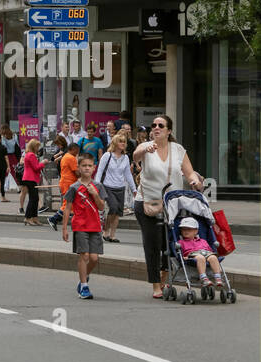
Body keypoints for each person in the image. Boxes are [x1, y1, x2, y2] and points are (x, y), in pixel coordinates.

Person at [132, 114, 204, 299]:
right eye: (153, 125)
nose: (156, 128)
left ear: (168, 130)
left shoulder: (178, 149)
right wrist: (146, 149)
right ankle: (156, 284)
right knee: (153, 244)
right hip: (146, 202)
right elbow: (135, 156)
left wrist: (195, 181)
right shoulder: (146, 147)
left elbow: (189, 173)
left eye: (160, 125)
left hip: (172, 204)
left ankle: (164, 279)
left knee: (169, 243)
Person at [61, 153, 104, 299]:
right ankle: (84, 286)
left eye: (89, 166)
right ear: (78, 168)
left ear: (94, 168)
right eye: (84, 165)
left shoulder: (98, 186)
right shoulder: (74, 187)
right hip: (80, 225)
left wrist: (95, 194)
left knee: (94, 258)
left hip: (95, 226)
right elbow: (67, 208)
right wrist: (64, 228)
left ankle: (84, 277)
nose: (87, 168)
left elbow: (102, 207)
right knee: (84, 255)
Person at [96, 134, 137, 242]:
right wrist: (96, 186)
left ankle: (112, 235)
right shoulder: (107, 155)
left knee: (118, 212)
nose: (123, 143)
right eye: (120, 141)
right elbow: (99, 171)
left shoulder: (126, 157)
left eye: (124, 142)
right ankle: (106, 230)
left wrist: (134, 189)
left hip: (120, 187)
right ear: (115, 143)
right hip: (108, 186)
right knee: (113, 207)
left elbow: (128, 174)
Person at [176, 218, 224, 292]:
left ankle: (218, 277)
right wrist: (183, 257)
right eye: (183, 229)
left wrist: (211, 255)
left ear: (196, 231)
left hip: (205, 253)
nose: (186, 231)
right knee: (200, 258)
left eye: (189, 229)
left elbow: (209, 251)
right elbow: (180, 252)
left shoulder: (203, 241)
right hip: (192, 255)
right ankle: (203, 277)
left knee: (213, 257)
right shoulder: (181, 242)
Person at [47, 140, 81, 230]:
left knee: (72, 204)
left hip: (66, 182)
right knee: (67, 204)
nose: (78, 153)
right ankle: (53, 219)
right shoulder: (71, 158)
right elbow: (77, 173)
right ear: (73, 149)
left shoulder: (66, 156)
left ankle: (76, 222)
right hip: (68, 183)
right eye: (77, 150)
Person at [21, 138, 44, 225]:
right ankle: (28, 217)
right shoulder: (31, 155)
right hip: (30, 178)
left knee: (35, 198)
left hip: (28, 178)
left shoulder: (28, 154)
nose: (38, 148)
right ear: (34, 147)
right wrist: (43, 163)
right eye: (37, 147)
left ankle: (34, 218)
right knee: (33, 199)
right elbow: (36, 167)